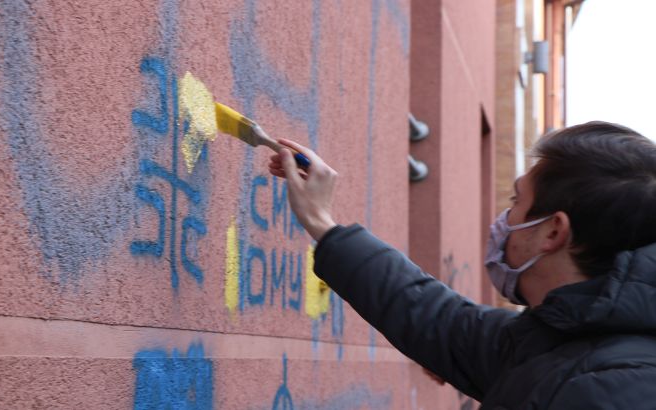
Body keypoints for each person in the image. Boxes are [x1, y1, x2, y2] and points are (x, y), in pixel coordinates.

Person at [268, 121, 656, 409]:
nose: (505, 218)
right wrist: (323, 224)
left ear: (553, 231)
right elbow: (439, 319)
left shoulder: (604, 390)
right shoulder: (560, 338)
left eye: (515, 201)